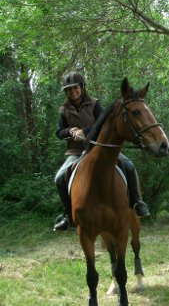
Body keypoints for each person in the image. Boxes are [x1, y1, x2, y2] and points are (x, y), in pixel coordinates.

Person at [53, 72, 150, 231]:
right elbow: (59, 132)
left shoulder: (94, 104)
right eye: (69, 90)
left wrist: (84, 131)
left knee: (129, 165)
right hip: (76, 152)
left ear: (82, 88)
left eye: (75, 88)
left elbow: (104, 123)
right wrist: (70, 131)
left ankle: (137, 202)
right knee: (59, 178)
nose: (73, 92)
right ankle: (67, 215)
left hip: (100, 148)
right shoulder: (63, 110)